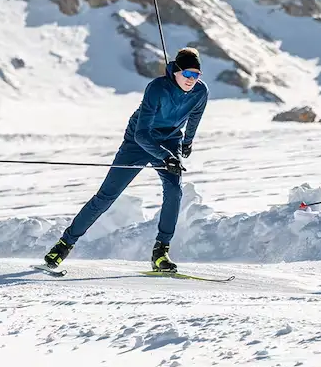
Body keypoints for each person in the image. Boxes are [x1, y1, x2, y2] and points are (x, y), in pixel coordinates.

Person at [41, 48, 209, 273]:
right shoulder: (157, 88)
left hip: (170, 141)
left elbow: (195, 116)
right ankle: (64, 245)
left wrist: (187, 142)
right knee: (106, 196)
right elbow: (141, 134)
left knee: (174, 192)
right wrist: (165, 157)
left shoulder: (200, 92)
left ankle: (161, 252)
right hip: (138, 142)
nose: (192, 80)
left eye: (196, 75)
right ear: (176, 71)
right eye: (188, 74)